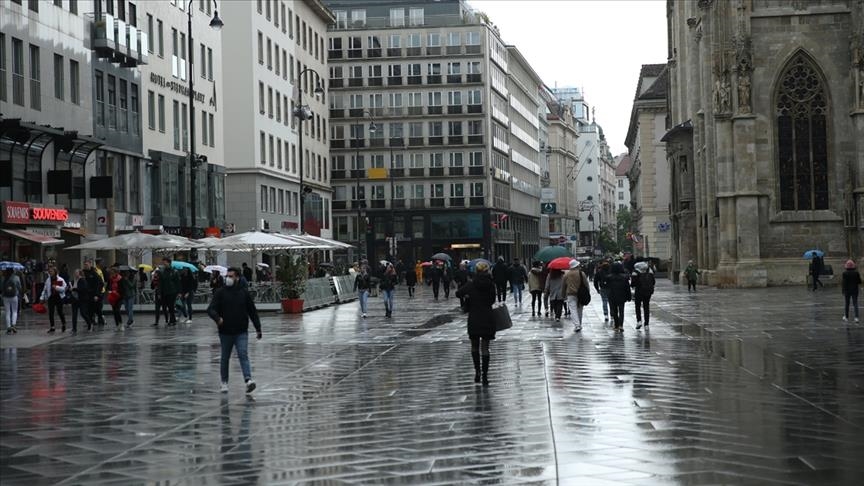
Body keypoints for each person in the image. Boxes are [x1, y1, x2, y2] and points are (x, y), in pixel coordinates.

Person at [207, 267, 262, 394]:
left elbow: (252, 311)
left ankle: (248, 380)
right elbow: (210, 309)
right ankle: (224, 382)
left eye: (231, 276)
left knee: (243, 354)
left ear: (237, 277)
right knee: (225, 357)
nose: (228, 278)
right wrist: (217, 318)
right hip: (225, 331)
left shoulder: (243, 293)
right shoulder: (220, 292)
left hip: (241, 331)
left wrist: (258, 328)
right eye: (227, 276)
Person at [455, 261, 496, 386]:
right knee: (485, 347)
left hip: (474, 318)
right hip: (487, 318)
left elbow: (458, 293)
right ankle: (485, 375)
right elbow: (492, 300)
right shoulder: (491, 284)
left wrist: (468, 296)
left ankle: (477, 371)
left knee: (474, 346)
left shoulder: (471, 284)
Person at [40, 266, 68, 333]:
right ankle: (52, 327)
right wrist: (42, 298)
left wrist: (56, 287)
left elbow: (64, 288)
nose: (50, 272)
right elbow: (45, 289)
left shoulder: (60, 279)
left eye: (51, 271)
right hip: (51, 297)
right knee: (51, 312)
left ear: (55, 272)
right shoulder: (48, 280)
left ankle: (63, 323)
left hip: (59, 297)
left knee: (60, 311)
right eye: (49, 271)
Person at [606, 262, 632, 332]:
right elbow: (627, 288)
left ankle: (616, 325)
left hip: (612, 296)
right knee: (621, 311)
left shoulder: (609, 277)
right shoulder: (625, 277)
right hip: (622, 296)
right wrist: (629, 296)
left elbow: (607, 287)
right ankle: (621, 325)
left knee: (614, 311)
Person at [563, 260, 588, 332]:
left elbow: (564, 285)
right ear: (577, 266)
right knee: (580, 309)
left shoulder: (567, 274)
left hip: (570, 294)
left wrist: (563, 294)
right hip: (581, 294)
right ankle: (579, 324)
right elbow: (586, 284)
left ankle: (577, 325)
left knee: (573, 309)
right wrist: (587, 292)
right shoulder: (581, 273)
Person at [631, 261, 656, 330]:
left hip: (639, 291)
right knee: (646, 307)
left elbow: (633, 283)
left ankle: (639, 321)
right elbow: (653, 282)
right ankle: (646, 324)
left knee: (637, 306)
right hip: (648, 291)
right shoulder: (649, 270)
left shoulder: (635, 271)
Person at [68, 269, 92, 335]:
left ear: (80, 273)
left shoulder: (82, 280)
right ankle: (74, 329)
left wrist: (74, 289)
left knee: (83, 313)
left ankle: (89, 324)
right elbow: (70, 288)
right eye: (75, 272)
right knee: (74, 314)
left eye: (77, 273)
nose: (75, 274)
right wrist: (68, 289)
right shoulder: (73, 281)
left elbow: (83, 289)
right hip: (74, 300)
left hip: (82, 299)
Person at [159, 258, 181, 326]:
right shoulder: (162, 271)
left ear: (169, 263)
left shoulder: (175, 271)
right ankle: (172, 320)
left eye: (165, 262)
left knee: (171, 306)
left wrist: (179, 292)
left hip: (172, 291)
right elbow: (160, 283)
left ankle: (172, 320)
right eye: (163, 262)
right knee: (166, 306)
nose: (164, 264)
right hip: (164, 292)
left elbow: (178, 283)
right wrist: (160, 292)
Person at [83, 262, 103, 330]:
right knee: (88, 309)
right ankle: (90, 321)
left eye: (87, 265)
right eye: (85, 265)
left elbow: (100, 284)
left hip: (93, 294)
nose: (86, 266)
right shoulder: (83, 273)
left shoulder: (94, 273)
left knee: (96, 309)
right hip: (86, 294)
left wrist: (97, 294)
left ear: (90, 265)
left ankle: (100, 319)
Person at [2, 269, 22, 334]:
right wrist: (20, 292)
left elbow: (1, 287)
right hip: (14, 296)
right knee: (14, 311)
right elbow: (19, 287)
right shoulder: (16, 277)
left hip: (5, 297)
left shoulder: (3, 278)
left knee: (7, 312)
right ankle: (13, 325)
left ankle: (8, 327)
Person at [92, 259, 107, 326]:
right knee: (97, 306)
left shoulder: (100, 270)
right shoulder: (95, 271)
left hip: (102, 290)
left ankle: (100, 319)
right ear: (98, 263)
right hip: (99, 291)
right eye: (102, 263)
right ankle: (99, 319)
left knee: (100, 306)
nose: (103, 264)